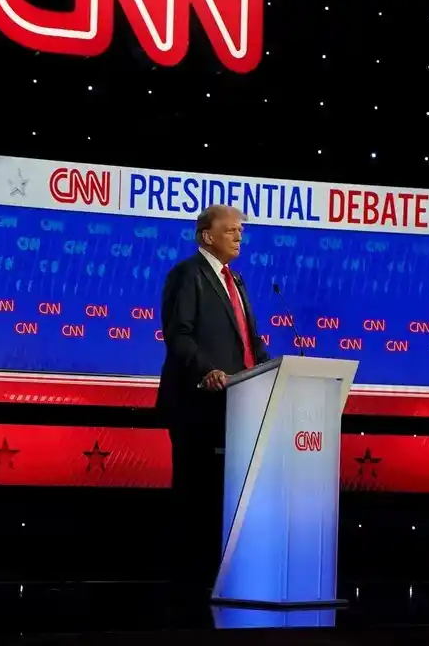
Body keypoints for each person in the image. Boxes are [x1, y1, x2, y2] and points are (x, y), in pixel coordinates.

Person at [156, 204, 270, 591]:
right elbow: (179, 334)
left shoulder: (235, 280)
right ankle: (188, 587)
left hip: (237, 407)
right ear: (207, 236)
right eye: (231, 230)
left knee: (224, 500)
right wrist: (207, 370)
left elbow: (249, 342)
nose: (239, 237)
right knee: (197, 497)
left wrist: (272, 370)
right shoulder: (188, 275)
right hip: (199, 405)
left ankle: (222, 580)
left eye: (241, 231)